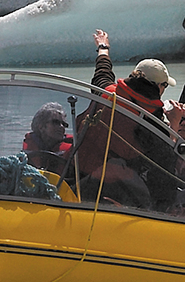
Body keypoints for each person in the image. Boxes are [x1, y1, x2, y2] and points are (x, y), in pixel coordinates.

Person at [70, 30, 173, 208]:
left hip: (77, 173)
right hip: (114, 190)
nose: (164, 89)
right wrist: (175, 126)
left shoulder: (108, 92)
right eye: (164, 85)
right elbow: (163, 165)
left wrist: (103, 48)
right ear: (157, 86)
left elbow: (102, 72)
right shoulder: (151, 118)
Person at [22, 102, 73, 173]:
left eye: (64, 124)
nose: (61, 127)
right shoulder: (26, 153)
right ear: (41, 126)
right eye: (55, 122)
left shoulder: (73, 150)